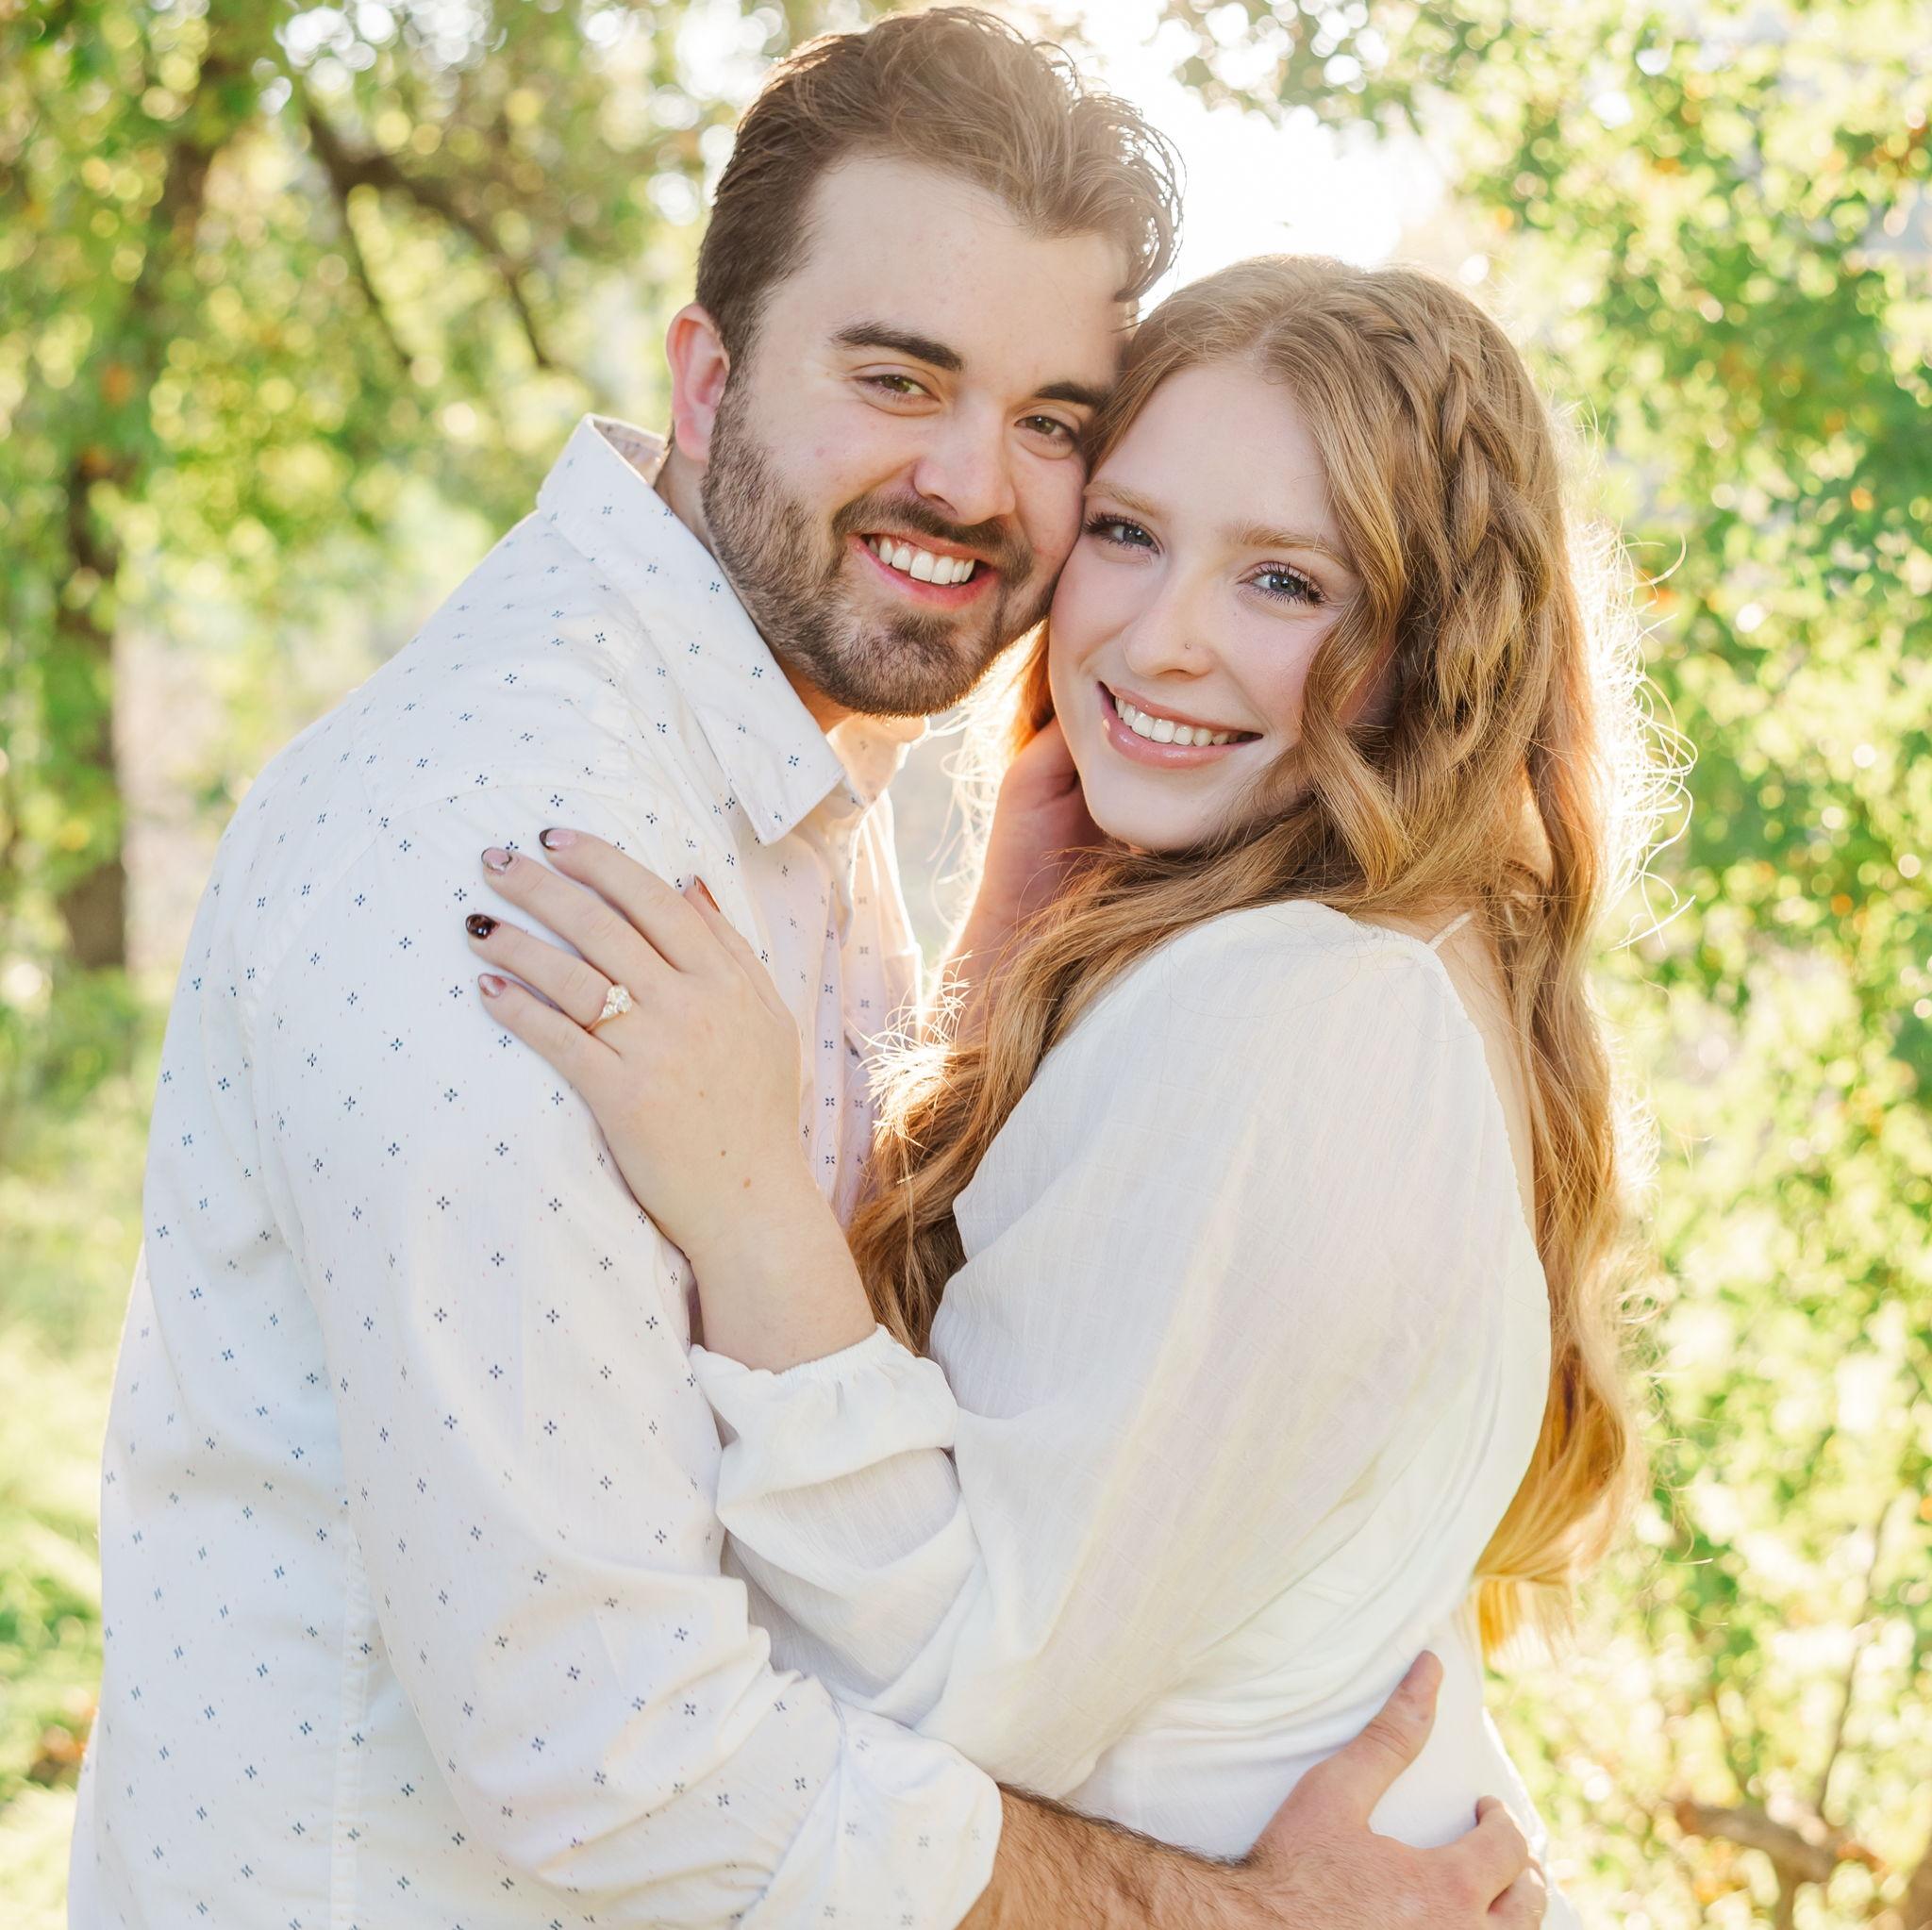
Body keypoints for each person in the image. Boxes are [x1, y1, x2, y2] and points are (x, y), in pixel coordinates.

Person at [71, 12, 1542, 1929]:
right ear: (707, 379)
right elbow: (615, 1755)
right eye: (897, 376)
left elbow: (871, 1453)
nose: (975, 486)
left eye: (1051, 424)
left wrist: (996, 999)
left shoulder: (800, 792)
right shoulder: (514, 856)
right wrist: (1249, 1918)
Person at [468, 254, 1656, 1929]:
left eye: (1285, 581)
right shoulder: (1397, 958)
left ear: (1431, 647)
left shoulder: (1302, 1009)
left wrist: (741, 1192)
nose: (1161, 641)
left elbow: (959, 1687)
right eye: (1128, 532)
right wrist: (1002, 973)